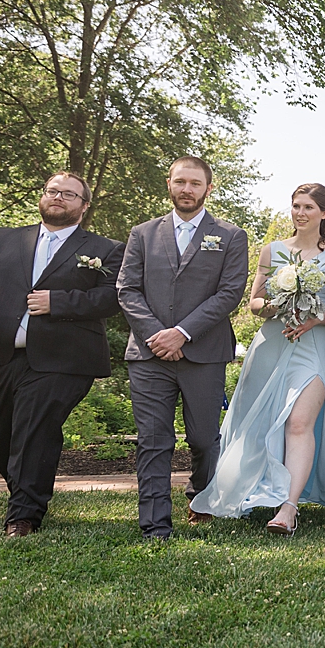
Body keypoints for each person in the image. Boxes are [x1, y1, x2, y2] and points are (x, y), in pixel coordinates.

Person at [0, 173, 125, 536]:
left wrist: (59, 302)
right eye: (52, 191)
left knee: (35, 427)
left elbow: (113, 298)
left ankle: (23, 516)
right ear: (42, 197)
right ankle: (25, 492)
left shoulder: (107, 248)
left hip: (64, 359)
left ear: (84, 205)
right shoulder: (3, 238)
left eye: (68, 194)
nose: (58, 197)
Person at [189, 184, 325, 533]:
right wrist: (281, 304)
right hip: (273, 343)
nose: (300, 213)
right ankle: (254, 490)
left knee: (299, 423)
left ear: (324, 213)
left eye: (309, 207)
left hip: (316, 344)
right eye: (296, 206)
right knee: (260, 424)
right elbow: (254, 303)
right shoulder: (272, 250)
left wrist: (315, 318)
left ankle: (288, 508)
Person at [118, 156, 249, 540]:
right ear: (169, 184)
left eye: (195, 183)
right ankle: (155, 524)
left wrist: (182, 333)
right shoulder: (142, 233)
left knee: (204, 438)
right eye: (180, 182)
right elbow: (127, 289)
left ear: (209, 188)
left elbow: (229, 293)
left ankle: (200, 497)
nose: (187, 189)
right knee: (154, 440)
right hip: (148, 353)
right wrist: (158, 335)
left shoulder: (229, 235)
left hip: (204, 353)